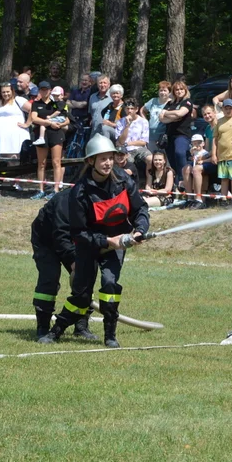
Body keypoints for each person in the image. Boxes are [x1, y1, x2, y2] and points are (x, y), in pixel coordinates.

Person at [39, 134, 149, 348]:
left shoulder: (124, 181)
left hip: (118, 244)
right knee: (81, 295)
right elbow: (79, 233)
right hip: (89, 246)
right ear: (91, 161)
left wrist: (140, 230)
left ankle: (110, 335)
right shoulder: (80, 192)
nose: (108, 163)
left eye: (110, 158)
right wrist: (108, 240)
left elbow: (140, 209)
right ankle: (56, 331)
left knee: (110, 283)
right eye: (102, 159)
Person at [29, 190, 98, 341]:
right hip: (46, 240)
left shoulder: (98, 198)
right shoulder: (65, 201)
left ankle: (81, 326)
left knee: (85, 279)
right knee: (49, 279)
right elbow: (61, 235)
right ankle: (43, 327)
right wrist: (73, 261)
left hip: (75, 242)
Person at [27, 81, 69, 200]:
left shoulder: (57, 103)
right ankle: (40, 189)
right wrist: (49, 122)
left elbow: (67, 120)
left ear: (50, 90)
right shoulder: (35, 104)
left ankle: (56, 190)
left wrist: (59, 125)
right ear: (39, 90)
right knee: (41, 163)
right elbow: (34, 118)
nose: (44, 92)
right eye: (42, 89)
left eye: (46, 89)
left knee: (56, 162)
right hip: (41, 135)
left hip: (56, 134)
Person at [159, 79, 195, 184]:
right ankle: (176, 185)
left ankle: (184, 181)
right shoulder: (170, 103)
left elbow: (180, 113)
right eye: (176, 90)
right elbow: (161, 118)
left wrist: (167, 113)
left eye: (181, 89)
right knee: (172, 160)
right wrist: (173, 117)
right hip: (169, 135)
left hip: (182, 134)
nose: (179, 91)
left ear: (185, 90)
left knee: (179, 153)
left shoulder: (187, 102)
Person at [0, 82, 31, 158]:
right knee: (5, 160)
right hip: (1, 137)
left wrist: (27, 123)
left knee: (14, 158)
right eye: (3, 92)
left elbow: (32, 109)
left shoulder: (18, 100)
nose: (6, 94)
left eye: (8, 92)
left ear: (12, 91)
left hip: (15, 135)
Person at [115, 98, 151, 167]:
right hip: (126, 150)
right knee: (127, 160)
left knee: (151, 159)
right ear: (125, 109)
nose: (129, 111)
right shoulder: (120, 122)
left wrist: (127, 143)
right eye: (127, 108)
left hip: (140, 148)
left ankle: (149, 178)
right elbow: (121, 141)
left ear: (136, 109)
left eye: (132, 108)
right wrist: (127, 125)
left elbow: (143, 142)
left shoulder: (144, 122)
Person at [142, 80, 172, 152]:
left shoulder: (172, 103)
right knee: (153, 158)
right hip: (151, 135)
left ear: (169, 92)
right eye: (161, 90)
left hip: (164, 136)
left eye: (165, 90)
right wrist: (145, 121)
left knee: (164, 159)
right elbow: (142, 110)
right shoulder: (153, 101)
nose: (163, 93)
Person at [182, 134, 209, 208]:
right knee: (185, 169)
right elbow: (192, 154)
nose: (197, 145)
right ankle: (190, 198)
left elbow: (207, 158)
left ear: (203, 143)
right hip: (194, 168)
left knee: (195, 169)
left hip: (203, 168)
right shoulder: (193, 152)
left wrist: (203, 160)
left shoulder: (205, 152)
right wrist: (192, 152)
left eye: (199, 143)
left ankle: (198, 199)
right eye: (194, 143)